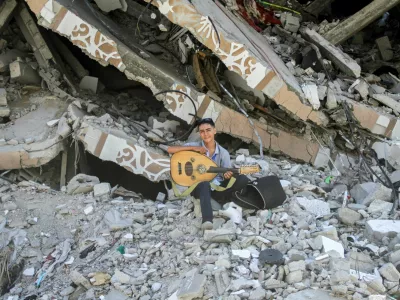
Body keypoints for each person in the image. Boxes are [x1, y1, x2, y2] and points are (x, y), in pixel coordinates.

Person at [167, 118, 249, 230]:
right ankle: (207, 220)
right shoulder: (194, 146)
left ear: (214, 131)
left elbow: (224, 175)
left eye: (208, 130)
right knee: (204, 184)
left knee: (242, 179)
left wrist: (227, 176)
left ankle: (222, 202)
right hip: (198, 187)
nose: (205, 134)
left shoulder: (223, 153)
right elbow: (170, 149)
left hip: (216, 188)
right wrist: (194, 148)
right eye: (202, 131)